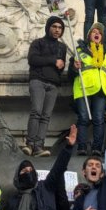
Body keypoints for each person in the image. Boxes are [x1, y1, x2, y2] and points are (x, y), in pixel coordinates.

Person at [1, 125, 77, 210]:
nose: (28, 172)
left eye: (30, 169)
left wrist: (68, 147)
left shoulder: (45, 188)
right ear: (18, 177)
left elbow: (58, 169)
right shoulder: (12, 201)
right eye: (24, 171)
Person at [23, 16, 68, 157]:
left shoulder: (63, 47)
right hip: (38, 80)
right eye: (54, 26)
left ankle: (39, 146)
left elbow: (60, 67)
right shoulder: (38, 43)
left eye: (60, 28)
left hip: (53, 84)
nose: (57, 30)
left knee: (46, 116)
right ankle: (30, 143)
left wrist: (63, 65)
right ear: (48, 27)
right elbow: (32, 59)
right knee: (36, 111)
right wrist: (53, 60)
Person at [69, 22, 106, 156]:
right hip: (83, 89)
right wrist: (74, 68)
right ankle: (81, 147)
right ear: (89, 36)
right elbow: (69, 74)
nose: (97, 34)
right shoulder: (78, 52)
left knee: (99, 118)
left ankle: (97, 148)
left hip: (101, 89)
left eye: (99, 33)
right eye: (94, 32)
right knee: (83, 118)